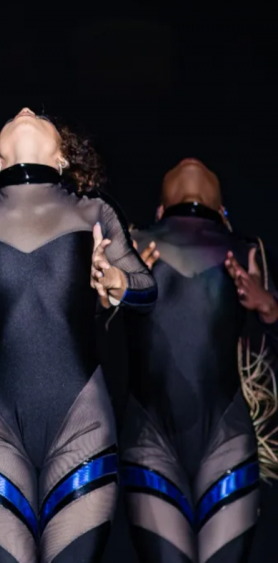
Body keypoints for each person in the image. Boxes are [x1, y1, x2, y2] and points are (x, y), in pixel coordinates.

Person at [0, 108, 157, 563]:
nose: (26, 111)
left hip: (82, 425)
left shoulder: (94, 211)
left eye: (41, 117)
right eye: (18, 113)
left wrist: (117, 280)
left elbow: (147, 292)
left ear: (62, 158)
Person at [119, 158, 277, 563]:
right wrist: (115, 294)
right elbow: (77, 330)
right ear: (158, 212)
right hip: (151, 439)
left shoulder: (247, 252)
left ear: (224, 214)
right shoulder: (132, 246)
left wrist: (268, 306)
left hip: (225, 438)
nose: (190, 163)